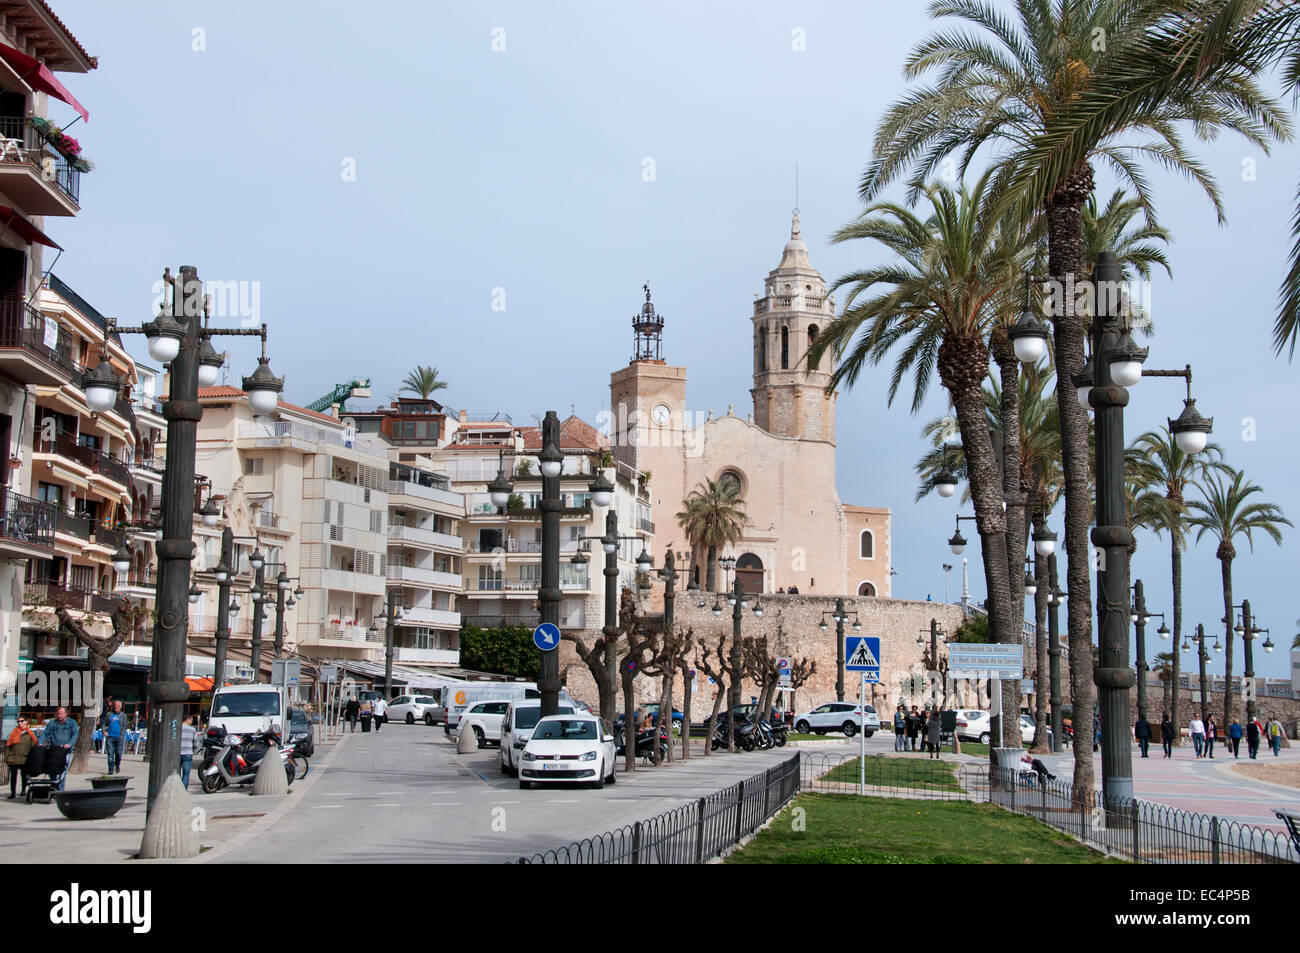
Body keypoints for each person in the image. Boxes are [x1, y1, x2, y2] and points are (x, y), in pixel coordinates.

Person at [43, 706, 78, 790]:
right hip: (54, 750)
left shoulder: (72, 723)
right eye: (58, 714)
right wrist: (40, 743)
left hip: (65, 751)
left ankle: (60, 789)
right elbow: (45, 733)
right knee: (51, 768)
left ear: (66, 714)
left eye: (61, 714)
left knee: (62, 770)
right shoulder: (52, 723)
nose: (59, 716)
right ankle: (54, 785)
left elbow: (75, 734)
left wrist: (69, 744)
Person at [5, 717, 39, 799]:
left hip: (24, 757)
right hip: (14, 757)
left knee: (24, 775)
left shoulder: (29, 733)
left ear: (26, 722)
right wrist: (7, 757)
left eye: (21, 721)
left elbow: (33, 746)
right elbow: (8, 745)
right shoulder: (14, 732)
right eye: (18, 721)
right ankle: (13, 793)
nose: (20, 723)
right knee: (13, 776)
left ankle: (23, 790)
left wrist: (32, 758)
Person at [103, 700, 127, 775]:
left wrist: (122, 734)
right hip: (110, 737)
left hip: (119, 737)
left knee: (118, 753)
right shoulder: (109, 714)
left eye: (118, 706)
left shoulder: (123, 715)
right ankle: (110, 769)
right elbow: (104, 723)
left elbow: (125, 726)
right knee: (110, 754)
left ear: (120, 707)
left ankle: (117, 765)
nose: (117, 707)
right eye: (115, 706)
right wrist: (104, 731)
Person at [179, 714, 198, 789]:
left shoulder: (178, 728)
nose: (192, 721)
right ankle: (183, 790)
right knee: (186, 774)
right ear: (188, 719)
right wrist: (194, 748)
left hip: (178, 753)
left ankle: (176, 788)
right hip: (188, 753)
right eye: (191, 720)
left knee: (176, 773)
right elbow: (195, 743)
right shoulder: (192, 730)